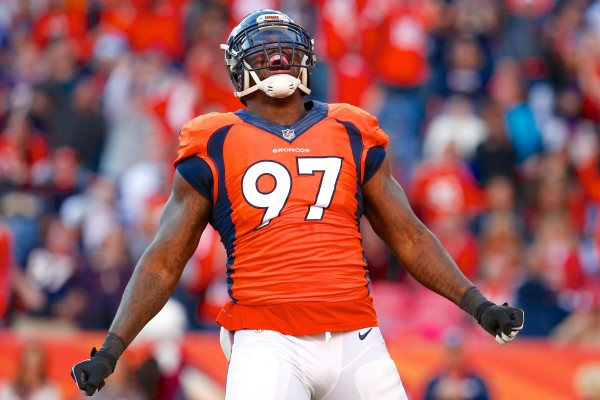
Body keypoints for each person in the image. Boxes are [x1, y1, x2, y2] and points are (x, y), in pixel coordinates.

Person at [71, 9, 524, 399]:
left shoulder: (350, 127)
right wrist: (113, 347)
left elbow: (408, 235)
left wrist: (477, 304)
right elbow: (165, 258)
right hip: (266, 338)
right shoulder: (214, 139)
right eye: (262, 52)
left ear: (306, 60)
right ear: (237, 69)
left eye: (284, 50)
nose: (275, 59)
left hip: (355, 334)